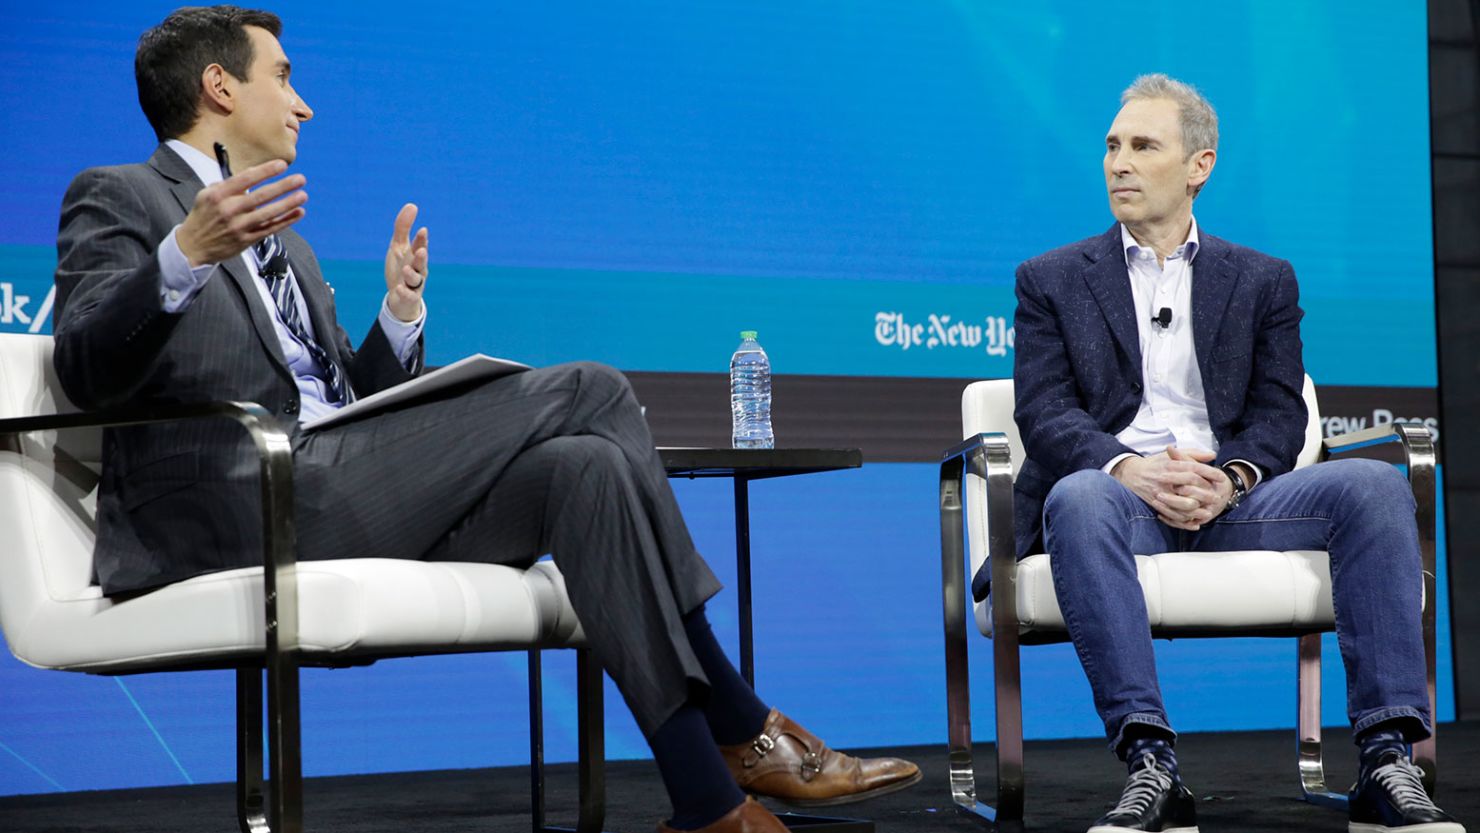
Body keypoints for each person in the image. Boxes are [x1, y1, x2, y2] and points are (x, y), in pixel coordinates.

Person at [51, 7, 919, 832]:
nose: (304, 101)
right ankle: (740, 718)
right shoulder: (124, 196)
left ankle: (704, 801)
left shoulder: (288, 240)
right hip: (239, 508)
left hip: (328, 485)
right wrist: (183, 255)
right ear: (220, 88)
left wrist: (396, 318)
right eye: (283, 76)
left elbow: (346, 404)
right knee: (593, 388)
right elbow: (84, 368)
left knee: (590, 469)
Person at [1004, 74, 1464, 833]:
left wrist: (1229, 477)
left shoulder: (1261, 279)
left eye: (1143, 145)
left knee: (1376, 488)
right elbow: (1045, 412)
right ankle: (1153, 766)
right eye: (1112, 146)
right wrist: (1131, 467)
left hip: (1237, 499)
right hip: (1121, 500)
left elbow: (1282, 413)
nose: (1119, 162)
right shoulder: (1051, 279)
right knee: (1077, 495)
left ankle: (1387, 763)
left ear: (1198, 165)